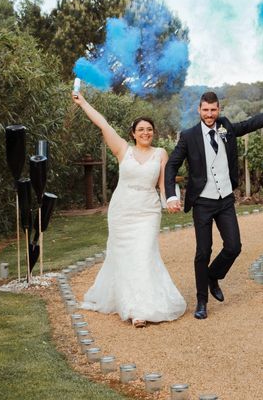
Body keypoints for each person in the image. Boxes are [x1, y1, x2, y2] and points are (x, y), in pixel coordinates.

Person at [164, 91, 263, 319]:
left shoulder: (226, 127)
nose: (209, 114)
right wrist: (171, 196)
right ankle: (201, 302)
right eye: (205, 110)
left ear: (219, 109)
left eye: (213, 110)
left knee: (234, 247)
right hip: (202, 203)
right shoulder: (188, 136)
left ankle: (212, 276)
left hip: (225, 199)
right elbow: (171, 166)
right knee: (203, 251)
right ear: (199, 110)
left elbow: (252, 123)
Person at [72, 91, 186, 327]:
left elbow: (164, 184)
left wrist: (171, 201)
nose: (146, 133)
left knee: (144, 255)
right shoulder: (122, 150)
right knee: (125, 257)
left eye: (149, 129)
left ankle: (141, 308)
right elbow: (103, 124)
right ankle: (133, 306)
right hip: (122, 211)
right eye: (141, 129)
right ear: (133, 134)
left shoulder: (160, 154)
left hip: (148, 212)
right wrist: (83, 103)